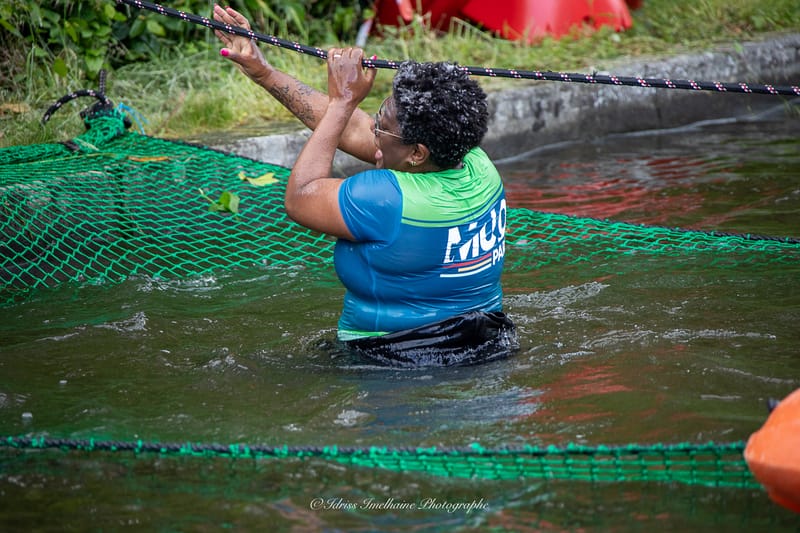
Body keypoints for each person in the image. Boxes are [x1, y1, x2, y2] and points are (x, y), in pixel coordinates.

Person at [213, 5, 517, 367]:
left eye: (381, 124)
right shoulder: (479, 165)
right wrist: (263, 73)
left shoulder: (384, 197)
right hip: (491, 344)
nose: (372, 130)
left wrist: (344, 101)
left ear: (417, 153)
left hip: (395, 360)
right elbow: (355, 130)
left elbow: (301, 195)